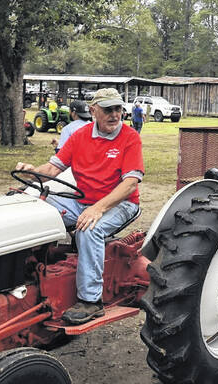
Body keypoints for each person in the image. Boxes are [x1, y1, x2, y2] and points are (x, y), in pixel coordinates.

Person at [15, 88, 143, 325]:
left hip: (120, 203)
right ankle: (25, 276)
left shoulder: (129, 137)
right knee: (34, 209)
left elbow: (130, 184)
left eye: (118, 109)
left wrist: (98, 208)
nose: (115, 115)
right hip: (83, 200)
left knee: (89, 228)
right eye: (108, 109)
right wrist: (32, 173)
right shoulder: (80, 136)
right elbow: (52, 170)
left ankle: (91, 301)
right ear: (93, 111)